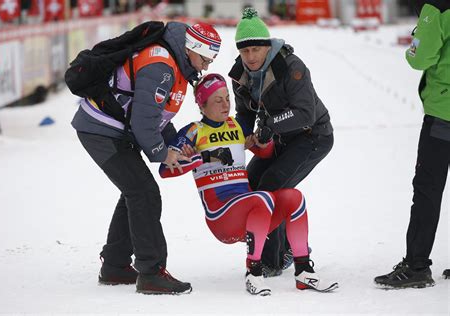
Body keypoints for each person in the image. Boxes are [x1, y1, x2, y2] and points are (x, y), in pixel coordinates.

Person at [71, 21, 222, 294]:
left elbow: (157, 117)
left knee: (135, 191)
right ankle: (152, 273)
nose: (205, 67)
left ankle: (115, 266)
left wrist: (178, 144)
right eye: (205, 59)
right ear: (192, 48)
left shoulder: (175, 63)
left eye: (210, 62)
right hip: (100, 130)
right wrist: (164, 154)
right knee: (144, 193)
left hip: (114, 131)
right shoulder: (162, 66)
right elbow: (143, 123)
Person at [159, 73, 338, 295]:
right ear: (202, 105)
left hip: (249, 212)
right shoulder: (193, 131)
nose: (226, 105)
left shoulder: (236, 126)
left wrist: (261, 142)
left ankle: (303, 272)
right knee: (263, 197)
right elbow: (165, 170)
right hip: (221, 216)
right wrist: (199, 157)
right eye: (218, 100)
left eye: (227, 98)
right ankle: (254, 273)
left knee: (294, 197)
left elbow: (267, 152)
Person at [228, 7, 334, 276]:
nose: (250, 56)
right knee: (249, 184)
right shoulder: (240, 74)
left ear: (268, 46)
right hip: (280, 138)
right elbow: (244, 113)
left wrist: (269, 126)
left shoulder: (292, 67)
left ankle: (272, 261)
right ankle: (282, 248)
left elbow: (304, 112)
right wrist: (235, 140)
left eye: (256, 49)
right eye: (244, 51)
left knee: (271, 186)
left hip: (313, 135)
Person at [374, 0, 450, 289]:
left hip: (444, 113)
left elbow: (419, 57)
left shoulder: (438, 8)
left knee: (428, 189)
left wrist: (415, 41)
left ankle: (417, 265)